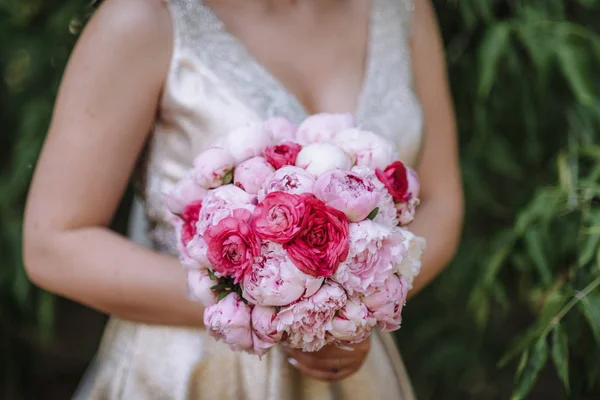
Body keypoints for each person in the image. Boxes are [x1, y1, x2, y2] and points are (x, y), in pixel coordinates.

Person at [23, 0, 463, 398]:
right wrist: (275, 312)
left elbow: (441, 202)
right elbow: (55, 243)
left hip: (354, 368)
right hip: (191, 376)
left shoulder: (401, 9)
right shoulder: (144, 18)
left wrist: (357, 309)